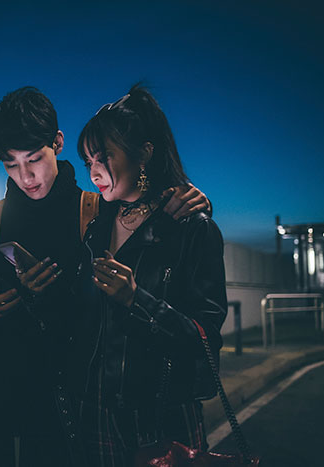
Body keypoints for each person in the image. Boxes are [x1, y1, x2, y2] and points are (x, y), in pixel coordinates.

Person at [0, 86, 211, 467]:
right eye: (10, 164)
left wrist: (193, 199)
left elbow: (149, 213)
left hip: (70, 411)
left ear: (58, 142)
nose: (26, 175)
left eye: (34, 158)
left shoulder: (99, 210)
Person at [68, 84, 227, 466]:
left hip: (162, 416)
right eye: (88, 159)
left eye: (104, 156)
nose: (93, 171)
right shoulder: (95, 224)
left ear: (144, 154)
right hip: (98, 410)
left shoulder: (191, 226)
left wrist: (136, 300)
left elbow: (205, 336)